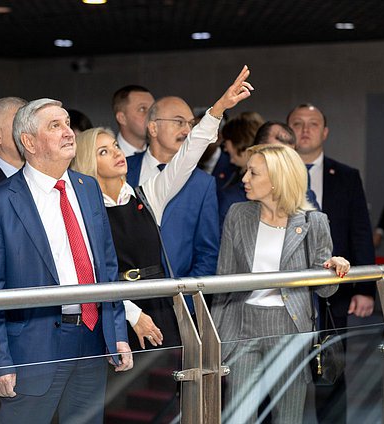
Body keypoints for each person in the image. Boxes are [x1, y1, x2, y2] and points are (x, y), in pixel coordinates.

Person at [70, 65, 254, 350]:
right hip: (117, 311)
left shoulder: (146, 196)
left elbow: (186, 159)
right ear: (88, 164)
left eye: (114, 147)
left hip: (160, 305)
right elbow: (90, 274)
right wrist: (132, 314)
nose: (117, 153)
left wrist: (218, 109)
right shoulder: (83, 211)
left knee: (167, 384)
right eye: (103, 151)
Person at [0, 98, 133, 424]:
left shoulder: (87, 187)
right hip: (34, 349)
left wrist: (117, 331)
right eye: (55, 126)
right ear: (29, 142)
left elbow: (106, 267)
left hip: (93, 340)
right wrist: (1, 360)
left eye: (67, 123)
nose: (68, 132)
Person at [211, 144, 349, 424]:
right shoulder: (238, 215)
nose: (244, 179)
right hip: (241, 327)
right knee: (238, 416)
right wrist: (215, 336)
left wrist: (334, 268)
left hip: (290, 328)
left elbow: (325, 290)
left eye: (253, 173)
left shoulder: (314, 222)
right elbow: (223, 281)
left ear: (277, 179)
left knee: (288, 417)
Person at [287, 103, 376, 423]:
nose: (305, 130)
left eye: (313, 124)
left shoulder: (347, 176)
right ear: (288, 131)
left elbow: (360, 232)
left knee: (333, 372)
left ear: (325, 132)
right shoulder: (278, 176)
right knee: (286, 375)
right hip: (288, 293)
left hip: (334, 291)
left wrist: (365, 289)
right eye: (297, 123)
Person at [126, 93, 220, 309]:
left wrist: (184, 302)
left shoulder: (202, 184)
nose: (187, 130)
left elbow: (207, 253)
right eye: (179, 122)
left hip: (180, 306)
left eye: (191, 123)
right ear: (153, 128)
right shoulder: (121, 171)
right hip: (128, 305)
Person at [217, 112, 265, 230]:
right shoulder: (231, 173)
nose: (225, 148)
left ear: (239, 142)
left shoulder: (258, 185)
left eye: (226, 142)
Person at [112, 85, 155, 157]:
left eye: (153, 109)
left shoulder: (161, 157)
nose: (152, 115)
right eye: (142, 109)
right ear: (122, 118)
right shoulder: (105, 158)